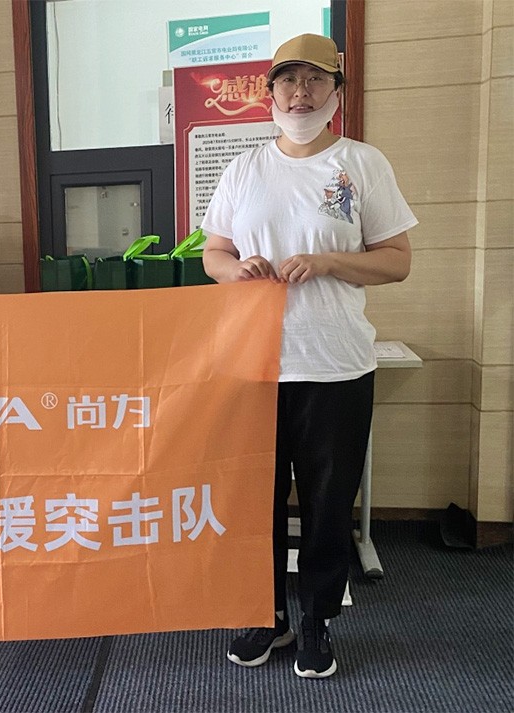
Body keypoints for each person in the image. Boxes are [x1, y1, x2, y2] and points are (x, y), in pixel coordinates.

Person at [201, 34, 416, 679]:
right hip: (255, 366)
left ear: (336, 93)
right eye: (289, 80)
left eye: (316, 80)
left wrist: (327, 262)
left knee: (327, 501)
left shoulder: (361, 164)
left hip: (335, 364)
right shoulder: (244, 169)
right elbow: (214, 253)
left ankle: (318, 618)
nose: (301, 93)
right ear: (269, 92)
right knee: (255, 500)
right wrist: (237, 272)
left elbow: (397, 261)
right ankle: (266, 615)